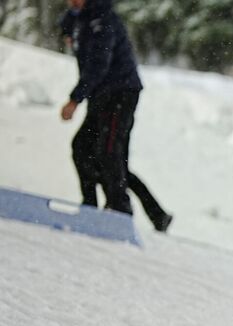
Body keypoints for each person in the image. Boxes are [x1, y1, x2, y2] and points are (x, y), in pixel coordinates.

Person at [58, 0, 171, 232]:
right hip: (101, 94)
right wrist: (68, 30)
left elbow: (99, 64)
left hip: (120, 92)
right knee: (83, 148)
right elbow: (68, 23)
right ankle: (92, 207)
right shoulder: (80, 18)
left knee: (109, 153)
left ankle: (119, 211)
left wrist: (75, 99)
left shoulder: (103, 19)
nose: (72, 2)